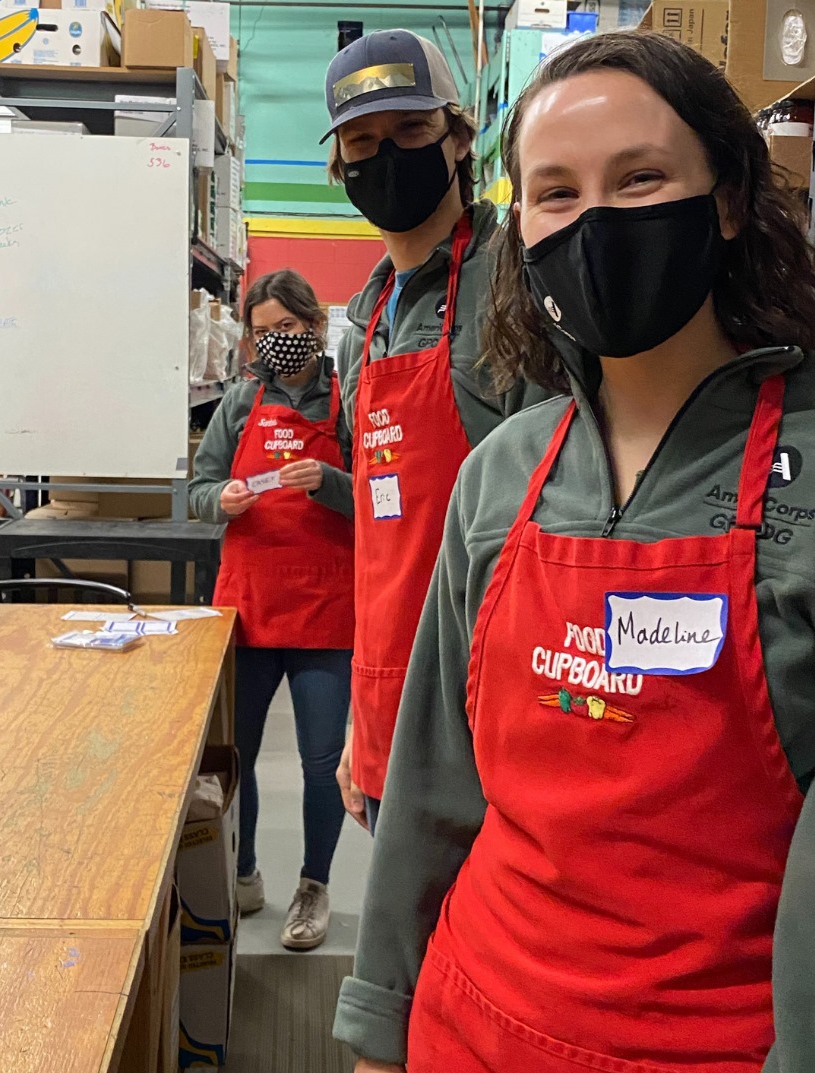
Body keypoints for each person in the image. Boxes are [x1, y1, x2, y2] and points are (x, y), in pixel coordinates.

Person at [333, 30, 815, 1073]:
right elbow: (433, 789)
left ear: (726, 198)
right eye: (555, 192)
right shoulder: (503, 475)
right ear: (524, 225)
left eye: (639, 178)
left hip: (711, 1055)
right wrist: (381, 1033)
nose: (595, 223)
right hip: (469, 1028)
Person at [320, 29, 548, 832]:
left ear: (458, 138)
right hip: (389, 698)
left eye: (411, 133)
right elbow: (382, 540)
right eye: (363, 142)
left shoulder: (517, 277)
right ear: (338, 167)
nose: (386, 157)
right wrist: (362, 713)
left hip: (496, 705)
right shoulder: (363, 315)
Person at [190, 269, 354, 952]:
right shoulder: (238, 402)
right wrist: (218, 499)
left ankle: (313, 888)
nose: (275, 342)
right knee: (240, 754)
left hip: (326, 609)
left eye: (286, 329)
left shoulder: (353, 401)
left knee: (322, 765)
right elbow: (196, 491)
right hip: (250, 607)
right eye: (262, 332)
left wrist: (331, 482)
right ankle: (245, 869)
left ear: (315, 326)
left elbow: (385, 499)